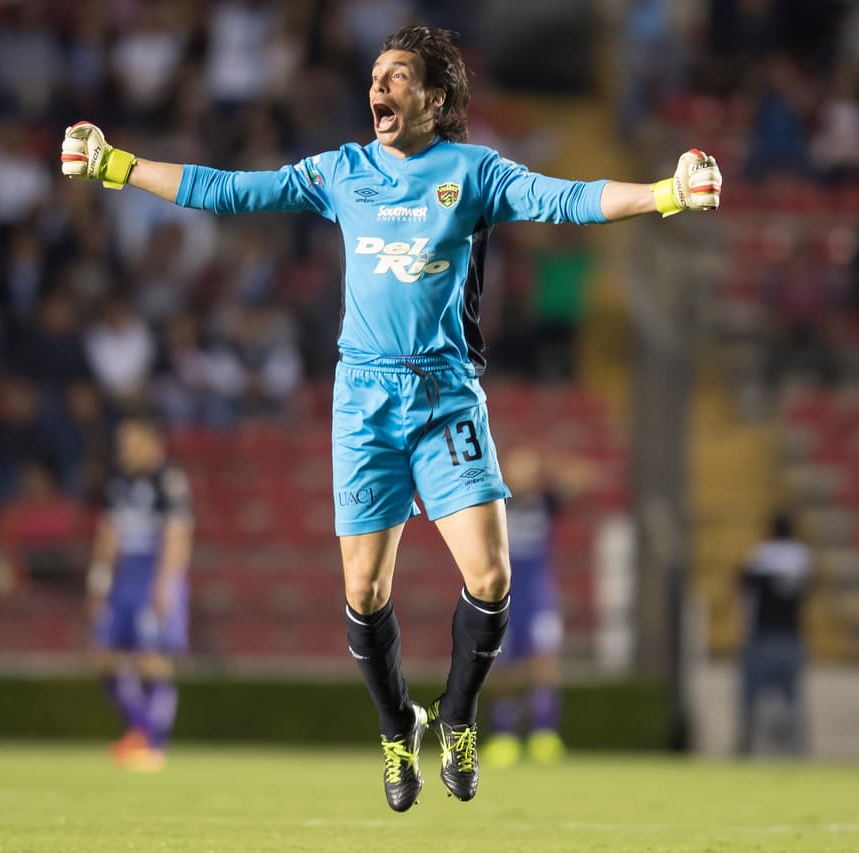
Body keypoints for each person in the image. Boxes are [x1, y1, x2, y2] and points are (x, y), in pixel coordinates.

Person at [61, 24, 722, 810]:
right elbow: (231, 190)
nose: (379, 86)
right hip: (364, 401)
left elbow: (568, 200)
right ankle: (395, 725)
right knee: (366, 589)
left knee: (492, 574)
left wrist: (666, 193)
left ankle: (459, 715)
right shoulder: (344, 171)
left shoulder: (472, 172)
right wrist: (118, 165)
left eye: (398, 76)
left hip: (446, 395)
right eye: (376, 75)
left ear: (435, 99)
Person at [87, 414, 193, 772]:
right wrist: (99, 581)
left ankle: (153, 744)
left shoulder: (168, 480)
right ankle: (141, 730)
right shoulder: (118, 482)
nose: (124, 450)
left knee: (152, 658)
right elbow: (108, 532)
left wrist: (166, 584)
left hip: (153, 572)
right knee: (105, 657)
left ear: (152, 443)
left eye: (131, 443)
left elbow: (177, 533)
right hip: (124, 575)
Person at [479, 447, 591, 768]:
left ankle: (544, 735)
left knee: (544, 662)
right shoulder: (495, 504)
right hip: (504, 597)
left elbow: (581, 475)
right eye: (517, 468)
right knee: (502, 668)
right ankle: (504, 736)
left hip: (539, 597)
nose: (522, 475)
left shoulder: (545, 502)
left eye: (528, 469)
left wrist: (552, 462)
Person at [737, 511, 812, 755]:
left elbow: (744, 592)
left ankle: (745, 747)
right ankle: (796, 750)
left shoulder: (760, 555)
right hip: (791, 638)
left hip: (763, 637)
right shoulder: (802, 556)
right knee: (792, 700)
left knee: (750, 699)